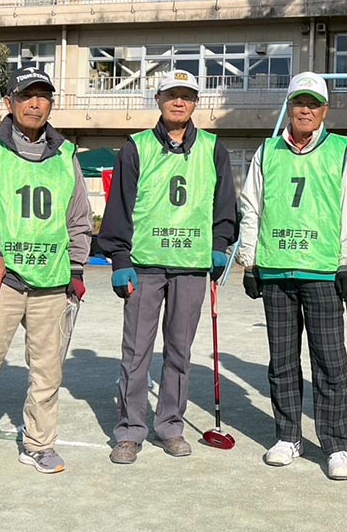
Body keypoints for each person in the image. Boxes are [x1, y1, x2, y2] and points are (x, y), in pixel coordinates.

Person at [0, 67, 93, 488]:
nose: (35, 103)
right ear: (10, 102)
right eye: (27, 95)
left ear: (51, 104)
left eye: (43, 96)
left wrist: (76, 270)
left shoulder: (66, 154)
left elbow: (79, 219)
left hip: (52, 284)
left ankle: (39, 444)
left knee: (48, 373)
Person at [99, 69, 237, 464]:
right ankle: (130, 430)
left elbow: (224, 203)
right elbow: (120, 205)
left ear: (196, 103)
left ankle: (171, 425)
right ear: (158, 100)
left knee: (180, 351)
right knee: (136, 351)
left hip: (192, 266)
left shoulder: (214, 148)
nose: (180, 102)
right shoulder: (136, 147)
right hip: (144, 266)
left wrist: (220, 243)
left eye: (188, 96)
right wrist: (119, 258)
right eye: (172, 95)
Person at [236, 71, 347, 481]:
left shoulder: (342, 151)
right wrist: (250, 260)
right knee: (282, 361)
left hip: (324, 272)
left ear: (325, 110)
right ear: (289, 107)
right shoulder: (267, 151)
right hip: (276, 269)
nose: (305, 110)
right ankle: (288, 435)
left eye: (313, 104)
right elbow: (251, 207)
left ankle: (336, 445)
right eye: (299, 103)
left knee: (330, 363)